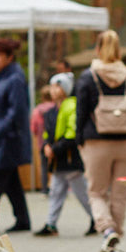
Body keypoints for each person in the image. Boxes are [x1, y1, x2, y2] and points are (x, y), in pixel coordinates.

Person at [76, 29, 126, 252]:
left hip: (97, 143)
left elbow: (81, 113)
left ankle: (107, 231)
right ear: (119, 50)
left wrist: (80, 140)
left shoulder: (88, 77)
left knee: (96, 192)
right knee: (120, 195)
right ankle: (114, 241)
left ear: (97, 49)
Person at [35, 72, 97, 237]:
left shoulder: (72, 106)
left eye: (58, 86)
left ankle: (97, 218)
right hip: (58, 161)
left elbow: (72, 133)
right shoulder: (51, 112)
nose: (53, 89)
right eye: (52, 86)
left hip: (69, 158)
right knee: (55, 193)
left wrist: (54, 149)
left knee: (82, 192)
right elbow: (47, 133)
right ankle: (51, 223)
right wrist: (46, 146)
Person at [0, 38, 32, 232]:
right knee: (12, 183)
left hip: (7, 140)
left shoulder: (14, 79)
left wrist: (0, 129)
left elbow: (17, 110)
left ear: (9, 58)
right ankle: (23, 219)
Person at [30, 85, 55, 193]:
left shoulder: (37, 110)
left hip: (41, 142)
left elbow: (33, 128)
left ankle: (44, 188)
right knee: (56, 166)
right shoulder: (56, 107)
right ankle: (55, 188)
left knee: (44, 166)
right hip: (55, 141)